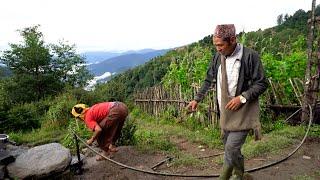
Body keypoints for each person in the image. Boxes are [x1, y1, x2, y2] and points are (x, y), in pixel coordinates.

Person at [187, 24, 268, 179]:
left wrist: (242, 97)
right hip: (225, 112)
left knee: (231, 148)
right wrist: (197, 99)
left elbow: (262, 83)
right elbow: (209, 79)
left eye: (220, 45)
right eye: (215, 45)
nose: (218, 48)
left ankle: (223, 178)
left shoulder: (249, 56)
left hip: (243, 112)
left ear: (232, 40)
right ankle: (241, 175)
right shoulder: (218, 57)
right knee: (230, 148)